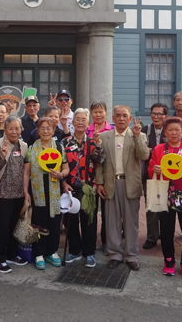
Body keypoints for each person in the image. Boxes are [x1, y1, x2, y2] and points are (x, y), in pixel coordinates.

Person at [148, 117, 182, 278]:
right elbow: (150, 171)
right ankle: (169, 260)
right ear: (165, 132)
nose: (174, 133)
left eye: (177, 130)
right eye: (170, 130)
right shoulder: (159, 149)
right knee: (166, 230)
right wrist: (155, 170)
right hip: (165, 194)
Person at [96, 105, 149, 272]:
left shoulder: (138, 135)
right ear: (112, 118)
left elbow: (143, 155)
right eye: (117, 115)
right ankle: (115, 254)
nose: (121, 118)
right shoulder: (104, 137)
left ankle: (131, 255)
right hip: (111, 182)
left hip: (130, 183)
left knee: (131, 222)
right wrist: (99, 182)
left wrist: (137, 136)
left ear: (129, 117)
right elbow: (99, 162)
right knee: (112, 221)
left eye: (124, 115)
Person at [24, 116, 71, 270]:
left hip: (54, 191)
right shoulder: (32, 148)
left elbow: (66, 168)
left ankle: (52, 251)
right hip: (37, 192)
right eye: (42, 128)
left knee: (54, 222)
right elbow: (26, 173)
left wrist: (61, 175)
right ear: (38, 131)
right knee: (38, 223)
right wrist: (26, 191)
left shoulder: (59, 147)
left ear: (53, 130)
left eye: (48, 128)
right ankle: (39, 253)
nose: (45, 131)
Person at [62, 108, 105, 267]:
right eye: (77, 119)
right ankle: (74, 250)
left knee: (89, 222)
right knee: (71, 222)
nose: (80, 122)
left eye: (83, 120)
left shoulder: (93, 141)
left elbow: (100, 160)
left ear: (88, 123)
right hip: (70, 187)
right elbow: (61, 164)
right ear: (73, 123)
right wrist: (63, 182)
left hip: (89, 188)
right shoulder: (64, 142)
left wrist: (98, 144)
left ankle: (89, 253)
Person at [0, 115, 30, 273]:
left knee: (14, 227)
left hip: (18, 194)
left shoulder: (24, 145)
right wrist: (2, 156)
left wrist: (26, 192)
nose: (14, 131)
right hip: (2, 194)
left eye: (17, 128)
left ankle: (12, 254)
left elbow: (26, 171)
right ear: (5, 130)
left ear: (21, 130)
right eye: (11, 128)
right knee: (1, 228)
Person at [140, 103, 169, 250]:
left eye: (159, 114)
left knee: (166, 206)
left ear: (166, 116)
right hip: (149, 173)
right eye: (153, 113)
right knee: (151, 206)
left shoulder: (170, 130)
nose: (156, 117)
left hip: (168, 174)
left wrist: (151, 151)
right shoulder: (145, 130)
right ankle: (151, 237)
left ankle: (165, 234)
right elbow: (141, 151)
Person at [86, 100, 113, 255]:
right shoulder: (86, 131)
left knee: (107, 211)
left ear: (105, 113)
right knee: (92, 210)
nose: (98, 114)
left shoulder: (112, 130)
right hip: (90, 177)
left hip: (107, 176)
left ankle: (105, 241)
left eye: (101, 111)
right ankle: (90, 242)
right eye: (95, 111)